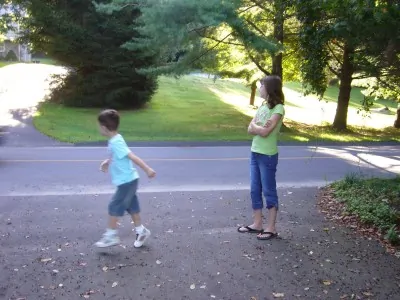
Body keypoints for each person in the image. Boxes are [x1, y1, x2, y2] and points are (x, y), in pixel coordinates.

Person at [95, 109, 156, 248]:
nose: (99, 128)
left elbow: (131, 156)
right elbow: (117, 155)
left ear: (104, 127)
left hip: (127, 182)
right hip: (129, 180)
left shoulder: (116, 142)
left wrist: (147, 169)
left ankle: (111, 236)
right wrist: (107, 162)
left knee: (114, 205)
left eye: (99, 125)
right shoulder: (115, 139)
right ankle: (142, 231)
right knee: (131, 206)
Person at [237, 75, 285, 240]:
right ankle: (257, 224)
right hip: (255, 152)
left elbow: (265, 132)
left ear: (269, 88)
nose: (259, 88)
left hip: (268, 155)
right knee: (254, 189)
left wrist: (258, 128)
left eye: (261, 85)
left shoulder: (278, 109)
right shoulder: (262, 107)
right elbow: (250, 129)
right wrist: (259, 128)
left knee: (268, 191)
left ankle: (271, 228)